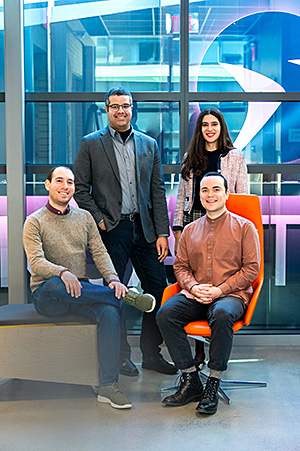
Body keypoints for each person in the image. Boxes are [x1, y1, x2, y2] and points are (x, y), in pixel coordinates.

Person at [23, 166, 157, 410]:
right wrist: (63, 273)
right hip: (48, 294)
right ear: (47, 184)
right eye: (60, 181)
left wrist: (114, 279)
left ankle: (108, 386)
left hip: (81, 293)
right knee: (57, 284)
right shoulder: (34, 221)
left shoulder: (84, 218)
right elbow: (36, 263)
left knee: (108, 311)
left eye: (70, 182)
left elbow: (99, 252)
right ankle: (125, 297)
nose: (66, 186)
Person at [74, 87, 176, 376]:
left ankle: (151, 354)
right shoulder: (91, 144)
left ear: (133, 108)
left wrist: (162, 233)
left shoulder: (149, 145)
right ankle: (120, 356)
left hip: (144, 230)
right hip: (112, 230)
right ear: (106, 110)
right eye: (115, 106)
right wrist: (100, 220)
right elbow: (80, 189)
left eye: (126, 106)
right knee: (115, 292)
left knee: (157, 288)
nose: (121, 111)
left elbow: (157, 190)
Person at [157, 172, 260, 415]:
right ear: (199, 196)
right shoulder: (190, 230)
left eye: (216, 189)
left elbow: (251, 270)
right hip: (197, 294)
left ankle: (212, 382)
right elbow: (180, 267)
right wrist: (193, 287)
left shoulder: (245, 228)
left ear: (226, 194)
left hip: (230, 295)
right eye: (204, 190)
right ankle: (191, 379)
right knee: (165, 314)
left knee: (223, 314)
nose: (210, 195)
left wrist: (219, 290)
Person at [173, 107, 248, 368]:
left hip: (224, 219)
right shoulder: (190, 157)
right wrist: (178, 227)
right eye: (204, 124)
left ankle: (215, 353)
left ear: (221, 127)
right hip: (195, 218)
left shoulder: (235, 157)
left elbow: (241, 196)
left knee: (219, 276)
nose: (209, 129)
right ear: (200, 129)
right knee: (198, 281)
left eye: (214, 124)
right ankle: (198, 351)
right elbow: (183, 195)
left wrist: (237, 229)